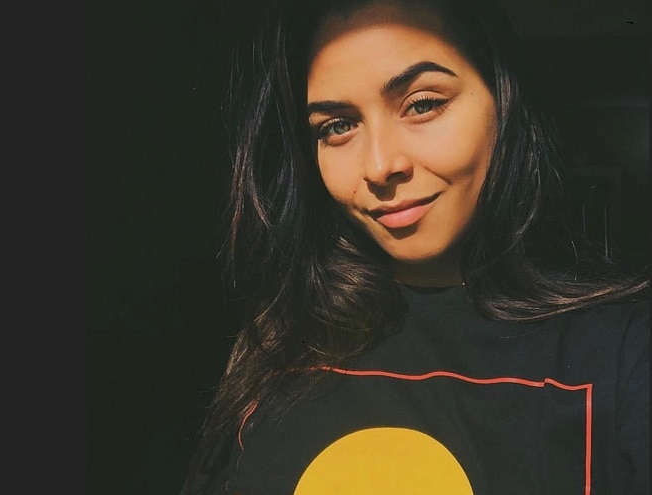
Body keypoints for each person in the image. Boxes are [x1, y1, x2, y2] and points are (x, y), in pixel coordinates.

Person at [181, 0, 650, 493]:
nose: (380, 165)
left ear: (505, 100)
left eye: (422, 104)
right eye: (337, 125)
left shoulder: (624, 356)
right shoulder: (277, 341)